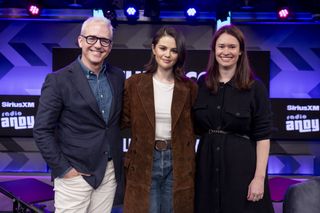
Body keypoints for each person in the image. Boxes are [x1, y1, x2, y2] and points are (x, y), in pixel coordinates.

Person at [33, 16, 125, 213]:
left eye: (104, 40)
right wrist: (65, 170)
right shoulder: (58, 80)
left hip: (108, 173)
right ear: (80, 40)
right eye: (92, 38)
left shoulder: (118, 77)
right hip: (75, 174)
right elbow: (42, 130)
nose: (98, 45)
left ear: (110, 46)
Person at [193, 24, 274, 213]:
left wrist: (259, 179)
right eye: (221, 46)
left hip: (242, 169)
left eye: (232, 47)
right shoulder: (201, 85)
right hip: (207, 167)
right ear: (214, 50)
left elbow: (263, 137)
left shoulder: (255, 88)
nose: (226, 51)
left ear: (240, 52)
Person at [122, 26, 198, 213]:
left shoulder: (189, 87)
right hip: (143, 161)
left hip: (178, 162)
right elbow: (122, 120)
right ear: (153, 49)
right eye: (163, 48)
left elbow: (197, 126)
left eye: (174, 50)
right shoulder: (134, 84)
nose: (168, 54)